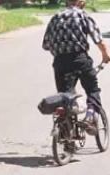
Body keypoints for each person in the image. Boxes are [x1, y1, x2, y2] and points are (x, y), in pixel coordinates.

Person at [43, 0, 110, 133]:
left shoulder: (55, 17)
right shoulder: (82, 15)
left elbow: (46, 45)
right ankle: (90, 117)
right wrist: (105, 55)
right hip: (80, 60)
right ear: (80, 2)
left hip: (60, 63)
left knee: (64, 96)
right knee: (92, 90)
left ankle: (65, 132)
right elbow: (97, 39)